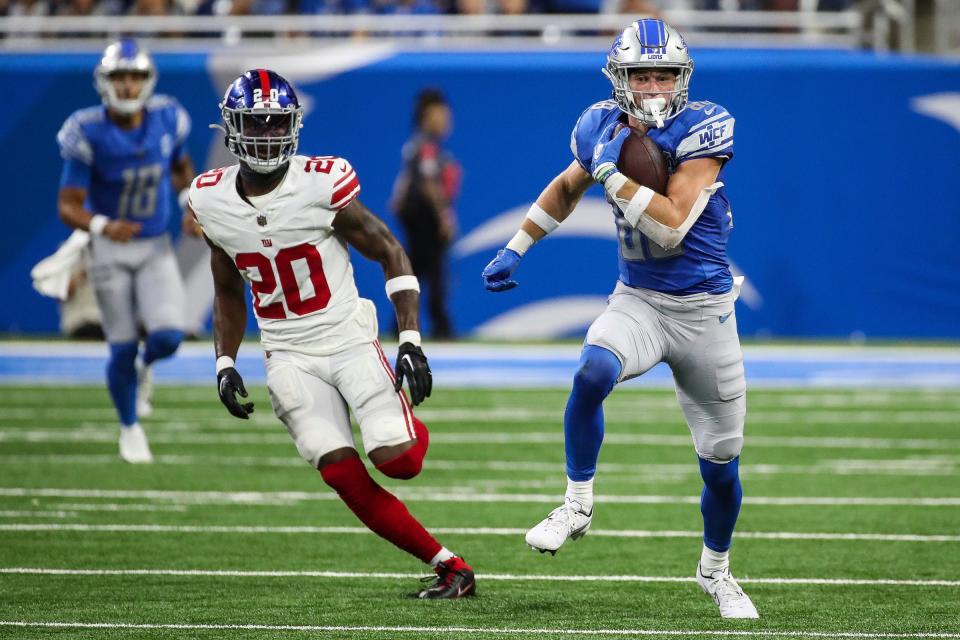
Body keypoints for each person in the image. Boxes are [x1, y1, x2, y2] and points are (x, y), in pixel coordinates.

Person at [480, 18, 756, 619]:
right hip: (639, 300)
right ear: (619, 79)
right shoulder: (599, 125)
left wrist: (610, 173)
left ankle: (716, 571)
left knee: (721, 469)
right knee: (591, 372)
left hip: (706, 313)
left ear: (683, 79)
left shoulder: (704, 126)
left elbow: (673, 222)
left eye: (664, 74)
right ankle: (577, 503)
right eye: (641, 74)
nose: (654, 86)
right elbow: (565, 186)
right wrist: (517, 246)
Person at [189, 69, 476, 599]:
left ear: (294, 127)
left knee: (401, 461)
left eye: (278, 124)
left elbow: (389, 250)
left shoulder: (321, 183)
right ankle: (449, 565)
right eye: (257, 123)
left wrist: (409, 340)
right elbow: (227, 289)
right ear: (232, 128)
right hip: (287, 351)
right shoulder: (210, 199)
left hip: (345, 335)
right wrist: (224, 362)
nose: (268, 135)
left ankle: (401, 417)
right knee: (341, 472)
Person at [57, 39, 195, 464]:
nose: (129, 85)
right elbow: (68, 205)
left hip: (154, 246)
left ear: (147, 80)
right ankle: (129, 426)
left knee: (169, 336)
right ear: (105, 82)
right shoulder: (88, 130)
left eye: (135, 76)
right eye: (120, 76)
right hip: (109, 250)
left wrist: (190, 204)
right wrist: (102, 224)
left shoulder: (168, 119)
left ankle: (144, 366)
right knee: (119, 346)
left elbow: (179, 166)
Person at [390, 88, 460, 339]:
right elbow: (429, 182)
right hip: (424, 220)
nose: (445, 121)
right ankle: (441, 328)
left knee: (415, 273)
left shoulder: (418, 146)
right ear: (427, 117)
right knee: (434, 274)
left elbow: (404, 182)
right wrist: (444, 215)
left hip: (416, 218)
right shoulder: (426, 147)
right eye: (440, 116)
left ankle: (399, 325)